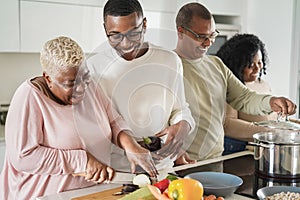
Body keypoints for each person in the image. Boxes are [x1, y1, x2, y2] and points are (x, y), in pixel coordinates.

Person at [0, 36, 157, 200]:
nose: (82, 88)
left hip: (90, 194)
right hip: (42, 196)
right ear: (48, 78)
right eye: (71, 83)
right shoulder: (29, 97)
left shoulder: (91, 86)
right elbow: (24, 157)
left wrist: (130, 145)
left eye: (85, 77)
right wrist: (83, 161)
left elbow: (113, 120)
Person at [174, 2, 297, 171]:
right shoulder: (169, 65)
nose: (208, 43)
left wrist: (271, 102)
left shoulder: (216, 64)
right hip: (181, 162)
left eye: (212, 35)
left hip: (215, 160)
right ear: (181, 32)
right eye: (201, 36)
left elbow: (244, 98)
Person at [87, 0, 195, 174]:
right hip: (115, 171)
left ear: (144, 24)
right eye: (115, 35)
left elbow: (180, 109)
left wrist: (183, 125)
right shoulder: (93, 67)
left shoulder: (169, 60)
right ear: (105, 29)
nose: (125, 43)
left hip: (161, 167)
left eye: (133, 33)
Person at [216, 33, 277, 154]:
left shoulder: (262, 84)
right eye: (250, 65)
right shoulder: (229, 87)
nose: (257, 69)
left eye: (259, 62)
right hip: (238, 149)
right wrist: (268, 133)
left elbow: (275, 118)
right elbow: (228, 124)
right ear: (236, 64)